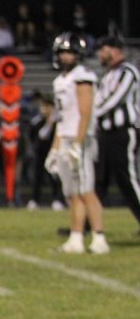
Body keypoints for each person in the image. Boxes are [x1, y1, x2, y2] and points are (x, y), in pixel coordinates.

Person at [49, 33, 109, 253]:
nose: (65, 56)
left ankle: (99, 237)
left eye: (70, 52)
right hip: (65, 137)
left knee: (86, 189)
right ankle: (76, 238)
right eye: (63, 52)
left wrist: (78, 142)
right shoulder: (59, 81)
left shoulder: (83, 76)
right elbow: (62, 117)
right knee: (72, 192)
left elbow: (85, 113)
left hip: (80, 139)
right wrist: (55, 149)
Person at [92, 35, 140, 232]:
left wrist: (91, 115)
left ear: (115, 50)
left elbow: (115, 100)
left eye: (103, 49)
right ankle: (86, 225)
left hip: (123, 132)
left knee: (126, 179)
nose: (100, 54)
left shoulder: (127, 72)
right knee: (99, 181)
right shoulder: (108, 75)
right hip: (106, 133)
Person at [26, 95, 63, 210]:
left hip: (53, 152)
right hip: (40, 153)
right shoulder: (37, 121)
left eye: (48, 107)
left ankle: (57, 199)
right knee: (38, 177)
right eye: (44, 106)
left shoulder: (59, 121)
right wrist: (49, 123)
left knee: (54, 177)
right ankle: (35, 200)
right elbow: (40, 136)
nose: (45, 109)